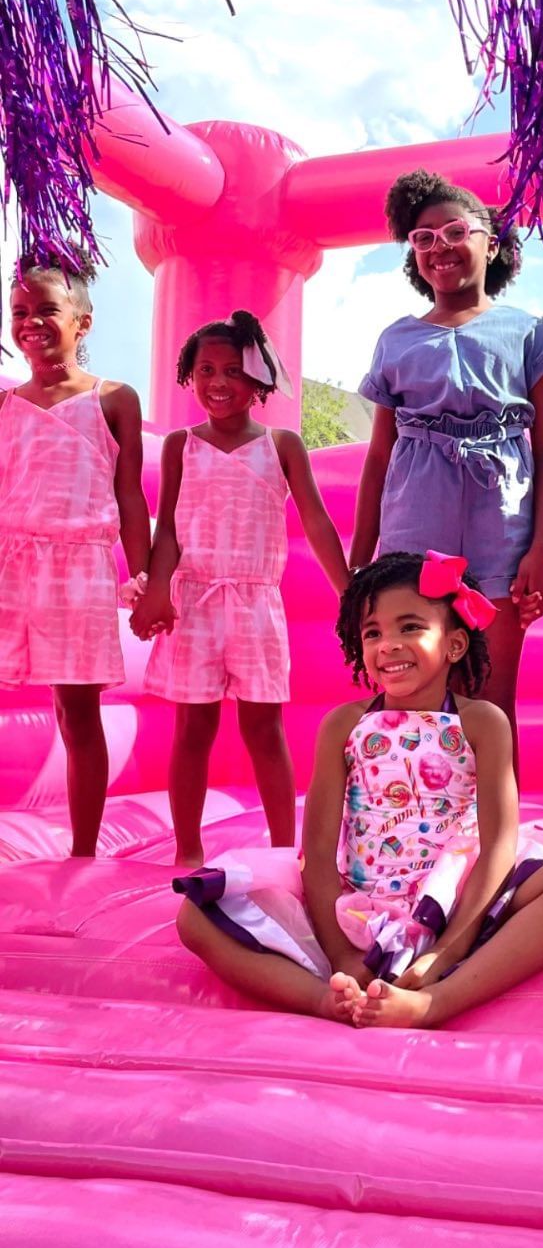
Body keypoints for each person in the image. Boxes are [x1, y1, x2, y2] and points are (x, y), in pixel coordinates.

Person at [174, 550, 543, 1028]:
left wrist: (446, 949)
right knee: (195, 915)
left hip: (457, 896)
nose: (389, 645)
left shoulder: (482, 722)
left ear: (454, 644)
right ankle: (327, 999)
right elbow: (317, 850)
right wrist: (341, 955)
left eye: (410, 627)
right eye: (373, 632)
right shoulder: (344, 725)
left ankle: (436, 999)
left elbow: (498, 842)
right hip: (357, 901)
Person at [349, 170, 543, 747]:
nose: (439, 246)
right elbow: (378, 457)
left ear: (490, 244)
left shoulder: (527, 333)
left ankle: (496, 808)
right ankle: (416, 803)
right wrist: (360, 560)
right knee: (415, 690)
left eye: (454, 231)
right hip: (414, 529)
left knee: (492, 696)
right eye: (423, 238)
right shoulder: (396, 339)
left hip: (503, 530)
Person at [132, 311, 348, 864]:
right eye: (205, 370)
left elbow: (317, 521)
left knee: (264, 728)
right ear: (190, 376)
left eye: (233, 370)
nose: (218, 382)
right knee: (192, 728)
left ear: (258, 379)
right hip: (194, 603)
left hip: (256, 605)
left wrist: (349, 590)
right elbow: (168, 529)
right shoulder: (180, 445)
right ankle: (187, 851)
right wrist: (158, 589)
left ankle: (284, 851)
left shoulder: (282, 445)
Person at [0, 253, 150, 858]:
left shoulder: (112, 399)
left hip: (79, 568)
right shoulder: (5, 404)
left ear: (82, 321)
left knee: (76, 709)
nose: (31, 322)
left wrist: (145, 577)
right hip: (13, 563)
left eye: (47, 310)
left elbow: (131, 495)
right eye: (19, 312)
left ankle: (83, 851)